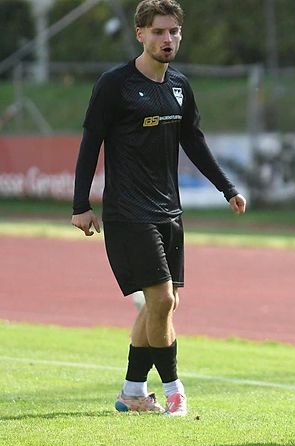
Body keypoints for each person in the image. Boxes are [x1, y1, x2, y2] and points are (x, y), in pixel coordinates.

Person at [71, 0, 246, 417]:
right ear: (140, 34)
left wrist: (227, 188)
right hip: (128, 212)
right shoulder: (115, 85)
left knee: (161, 305)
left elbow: (195, 142)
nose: (167, 39)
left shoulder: (180, 86)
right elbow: (90, 142)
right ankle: (174, 390)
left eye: (173, 32)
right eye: (158, 32)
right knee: (163, 301)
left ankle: (132, 392)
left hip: (169, 211)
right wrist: (81, 204)